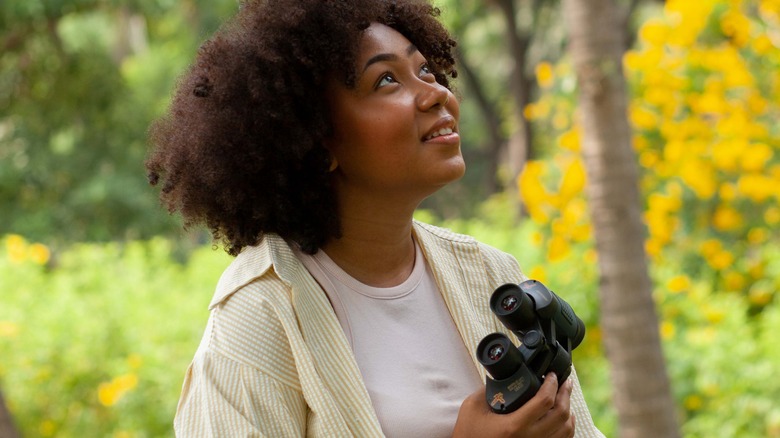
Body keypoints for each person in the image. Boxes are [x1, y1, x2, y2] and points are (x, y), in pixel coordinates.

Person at [146, 0, 604, 436]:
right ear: (317, 140)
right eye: (387, 81)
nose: (436, 94)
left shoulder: (489, 274)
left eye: (425, 69)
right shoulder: (258, 318)